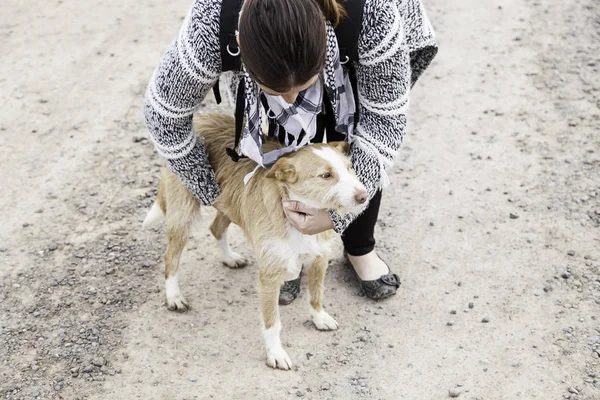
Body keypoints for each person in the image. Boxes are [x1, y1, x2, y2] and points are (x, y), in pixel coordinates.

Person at [144, 0, 437, 303]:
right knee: (274, 139)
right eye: (274, 88)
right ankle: (288, 253)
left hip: (352, 42)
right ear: (240, 44)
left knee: (348, 144)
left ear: (326, 41)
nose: (291, 99)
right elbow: (163, 116)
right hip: (259, 49)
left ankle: (360, 248)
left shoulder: (373, 13)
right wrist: (213, 193)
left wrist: (338, 217)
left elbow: (383, 126)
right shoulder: (211, 21)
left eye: (303, 85)